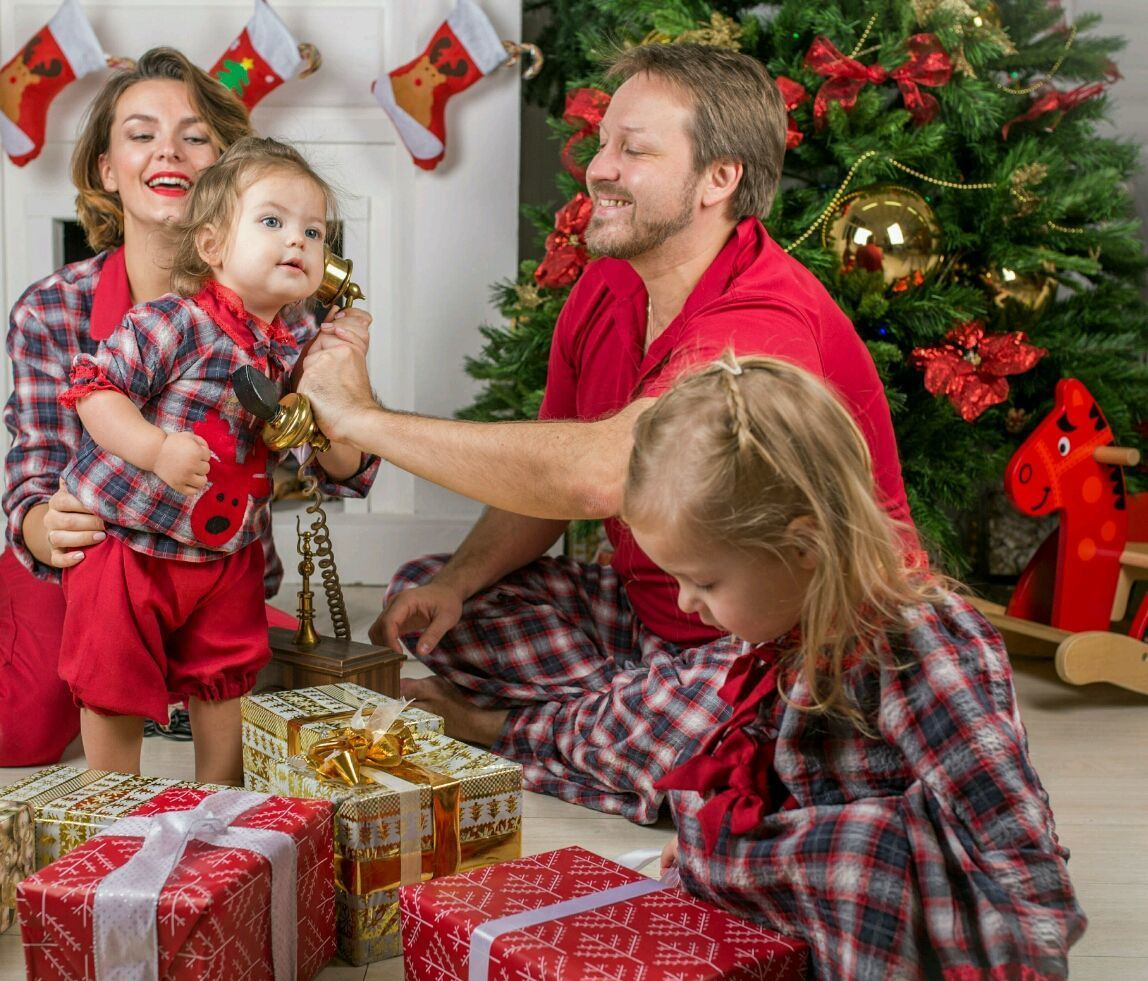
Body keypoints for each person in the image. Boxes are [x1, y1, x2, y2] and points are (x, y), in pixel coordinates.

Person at [294, 42, 915, 821]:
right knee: (429, 602)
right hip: (652, 614)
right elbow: (544, 490)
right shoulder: (607, 285)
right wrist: (455, 584)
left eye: (636, 150)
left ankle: (505, 730)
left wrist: (361, 421)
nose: (599, 168)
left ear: (719, 179)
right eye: (603, 143)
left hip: (784, 644)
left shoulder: (759, 319)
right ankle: (628, 730)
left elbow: (599, 475)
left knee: (739, 729)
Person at [0, 49, 371, 767]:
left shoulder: (288, 314)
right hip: (86, 558)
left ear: (230, 171)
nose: (169, 151)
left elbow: (343, 472)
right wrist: (41, 524)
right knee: (18, 729)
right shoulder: (54, 308)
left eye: (196, 135)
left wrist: (347, 398)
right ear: (106, 171)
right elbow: (33, 477)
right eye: (141, 134)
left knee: (260, 691)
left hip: (209, 563)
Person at [624, 354, 1085, 981]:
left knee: (858, 855)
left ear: (805, 549)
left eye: (703, 581)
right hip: (828, 859)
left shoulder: (914, 643)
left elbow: (1009, 826)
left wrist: (1021, 966)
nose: (683, 604)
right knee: (694, 799)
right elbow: (779, 766)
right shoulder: (797, 624)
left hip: (905, 895)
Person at [57, 137, 371, 781]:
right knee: (112, 679)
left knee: (227, 681)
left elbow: (339, 461)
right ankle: (110, 800)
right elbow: (94, 392)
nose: (299, 242)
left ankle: (217, 801)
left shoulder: (299, 346)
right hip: (129, 542)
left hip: (227, 550)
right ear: (212, 246)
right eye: (273, 221)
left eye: (315, 231)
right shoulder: (173, 322)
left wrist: (346, 374)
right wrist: (156, 447)